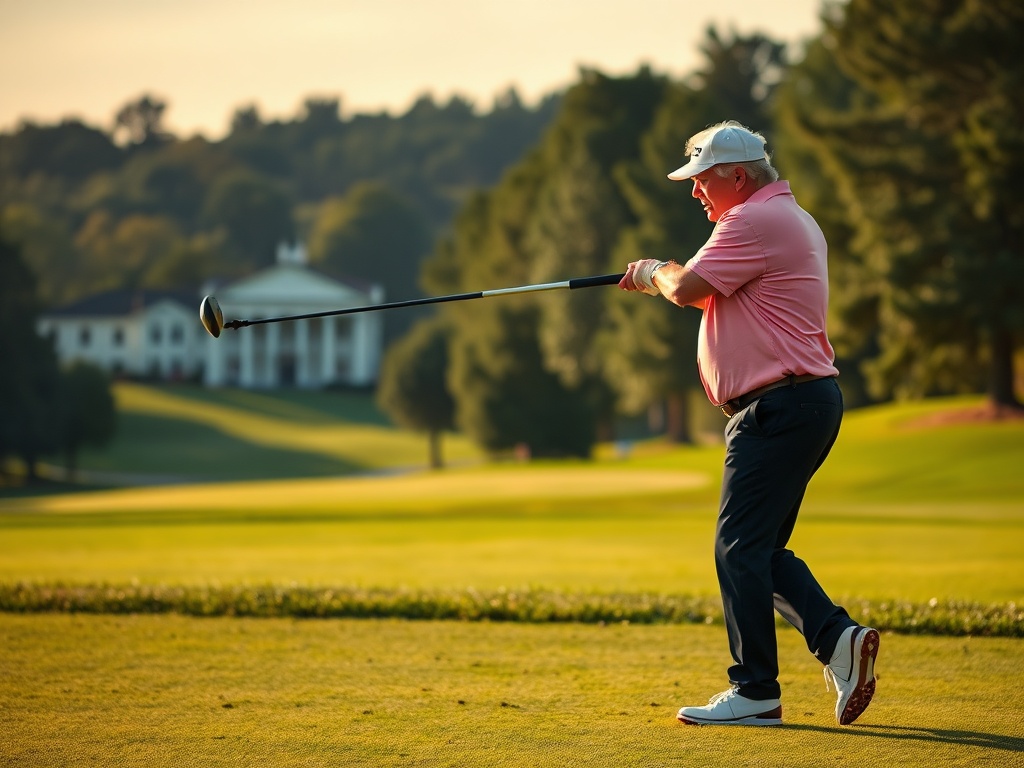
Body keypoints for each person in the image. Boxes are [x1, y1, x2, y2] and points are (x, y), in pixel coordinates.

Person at [619, 120, 879, 727]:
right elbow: (714, 294)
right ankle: (839, 641)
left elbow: (685, 288)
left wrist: (654, 269)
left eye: (702, 180)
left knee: (737, 548)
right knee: (758, 549)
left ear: (738, 176)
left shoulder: (751, 222)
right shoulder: (785, 218)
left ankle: (756, 690)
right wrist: (662, 278)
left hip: (779, 406)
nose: (694, 193)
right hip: (801, 401)